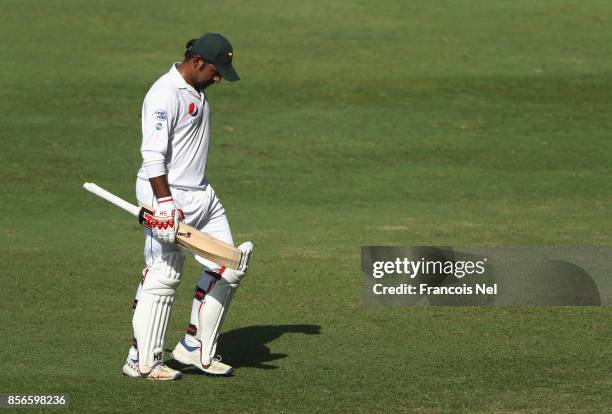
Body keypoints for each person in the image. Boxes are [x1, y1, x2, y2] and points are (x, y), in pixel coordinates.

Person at [121, 33, 253, 380]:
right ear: (197, 62)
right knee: (163, 275)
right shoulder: (164, 93)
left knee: (231, 264)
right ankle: (142, 360)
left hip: (202, 195)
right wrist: (163, 203)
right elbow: (152, 154)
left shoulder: (196, 88)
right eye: (215, 69)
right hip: (168, 196)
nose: (219, 77)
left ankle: (193, 348)